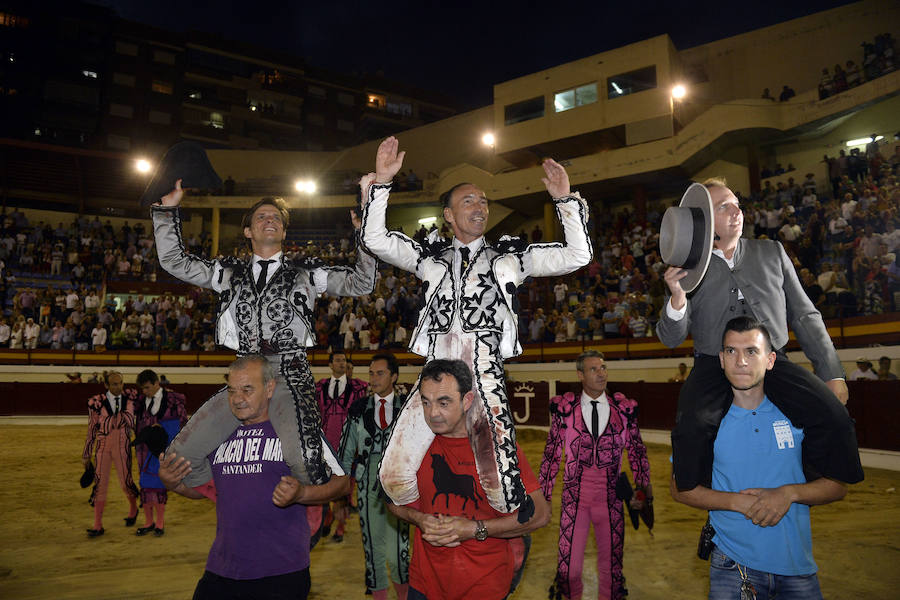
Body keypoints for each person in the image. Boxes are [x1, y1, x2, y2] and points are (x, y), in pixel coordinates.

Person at [361, 136, 592, 519]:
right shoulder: (429, 258)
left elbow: (577, 255)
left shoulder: (511, 256)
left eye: (483, 201)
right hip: (436, 370)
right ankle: (436, 522)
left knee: (502, 492)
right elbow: (375, 239)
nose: (480, 207)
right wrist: (383, 183)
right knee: (393, 476)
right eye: (468, 200)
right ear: (449, 215)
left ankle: (496, 537)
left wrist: (565, 201)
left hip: (484, 369)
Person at [152, 180, 376, 494]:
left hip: (290, 375)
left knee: (305, 463)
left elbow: (363, 282)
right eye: (261, 217)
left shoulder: (307, 272)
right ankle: (237, 499)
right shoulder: (227, 271)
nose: (269, 220)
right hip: (244, 376)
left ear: (284, 232)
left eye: (276, 219)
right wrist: (167, 212)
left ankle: (303, 518)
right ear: (248, 232)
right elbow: (174, 261)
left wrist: (365, 234)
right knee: (179, 458)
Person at [658, 177, 863, 493]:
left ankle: (811, 481)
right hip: (714, 364)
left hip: (772, 361)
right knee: (692, 426)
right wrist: (677, 297)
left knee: (832, 414)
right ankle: (706, 494)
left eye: (737, 205)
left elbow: (805, 314)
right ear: (706, 220)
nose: (736, 212)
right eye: (724, 207)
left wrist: (832, 372)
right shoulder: (686, 269)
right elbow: (671, 338)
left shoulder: (771, 251)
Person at [671, 317, 851, 600]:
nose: (740, 360)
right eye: (731, 351)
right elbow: (679, 489)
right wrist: (735, 502)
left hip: (797, 565)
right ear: (720, 359)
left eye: (751, 351)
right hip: (732, 565)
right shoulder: (704, 422)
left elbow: (838, 486)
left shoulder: (799, 416)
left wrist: (788, 494)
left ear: (770, 360)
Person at [159, 355, 350, 600]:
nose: (237, 399)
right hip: (223, 567)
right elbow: (209, 490)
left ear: (270, 388)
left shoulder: (295, 431)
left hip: (280, 573)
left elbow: (342, 483)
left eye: (247, 390)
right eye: (232, 390)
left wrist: (303, 494)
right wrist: (173, 483)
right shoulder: (219, 435)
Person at [387, 359, 550, 600]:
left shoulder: (498, 449)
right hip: (424, 583)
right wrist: (419, 518)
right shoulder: (413, 447)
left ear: (467, 400)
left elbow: (540, 514)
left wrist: (475, 529)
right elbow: (391, 500)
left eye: (444, 403)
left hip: (484, 584)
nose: (433, 413)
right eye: (426, 402)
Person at [539, 351, 651, 600]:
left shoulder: (623, 411)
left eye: (603, 367)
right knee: (568, 571)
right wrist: (543, 497)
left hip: (610, 499)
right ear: (580, 375)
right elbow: (551, 454)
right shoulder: (565, 411)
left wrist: (643, 492)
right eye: (593, 369)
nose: (601, 373)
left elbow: (637, 452)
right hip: (573, 500)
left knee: (611, 571)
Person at [338, 354, 410, 600]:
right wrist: (340, 490)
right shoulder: (358, 409)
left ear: (394, 376)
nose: (374, 378)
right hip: (367, 485)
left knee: (398, 551)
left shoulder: (407, 408)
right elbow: (346, 452)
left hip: (398, 486)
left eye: (380, 373)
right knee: (372, 548)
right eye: (371, 373)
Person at [315, 351, 367, 543]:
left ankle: (340, 527)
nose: (342, 363)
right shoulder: (320, 387)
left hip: (348, 448)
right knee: (326, 485)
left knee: (345, 489)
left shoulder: (359, 387)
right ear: (330, 364)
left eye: (344, 360)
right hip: (326, 447)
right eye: (338, 360)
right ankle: (329, 516)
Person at [81, 371, 140, 537]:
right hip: (103, 445)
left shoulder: (129, 398)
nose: (118, 387)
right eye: (114, 384)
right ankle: (98, 525)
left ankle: (133, 508)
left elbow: (130, 421)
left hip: (122, 445)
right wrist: (86, 453)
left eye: (120, 383)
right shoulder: (96, 402)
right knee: (100, 484)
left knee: (125, 481)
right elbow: (92, 428)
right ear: (106, 385)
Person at [133, 369, 188, 536]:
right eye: (143, 388)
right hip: (144, 449)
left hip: (165, 449)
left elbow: (184, 424)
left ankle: (160, 523)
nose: (145, 391)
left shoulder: (174, 400)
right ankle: (149, 521)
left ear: (157, 383)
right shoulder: (141, 401)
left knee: (159, 485)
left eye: (148, 387)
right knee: (145, 484)